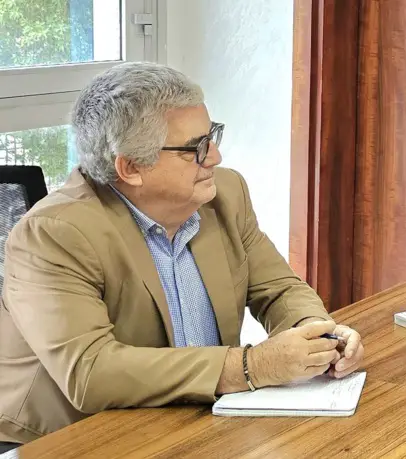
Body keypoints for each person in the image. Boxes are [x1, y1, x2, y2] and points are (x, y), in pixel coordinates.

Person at [0, 62, 364, 451]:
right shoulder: (54, 233)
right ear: (131, 167)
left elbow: (278, 288)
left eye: (213, 136)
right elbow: (90, 374)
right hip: (71, 439)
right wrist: (250, 366)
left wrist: (317, 333)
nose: (216, 157)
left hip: (191, 422)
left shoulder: (224, 194)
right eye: (197, 148)